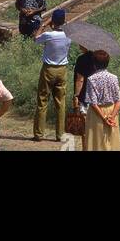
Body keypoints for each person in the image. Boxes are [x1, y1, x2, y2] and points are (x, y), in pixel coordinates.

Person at [32, 8, 71, 142]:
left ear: (53, 21)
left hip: (48, 69)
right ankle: (60, 134)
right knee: (60, 103)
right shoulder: (68, 35)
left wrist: (43, 25)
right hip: (62, 70)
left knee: (43, 101)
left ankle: (39, 134)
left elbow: (35, 38)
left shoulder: (49, 35)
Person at [80, 50, 120, 152]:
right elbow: (119, 99)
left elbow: (93, 103)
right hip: (112, 110)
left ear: (94, 64)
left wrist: (104, 118)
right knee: (111, 141)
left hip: (97, 114)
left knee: (96, 142)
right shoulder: (114, 78)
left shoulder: (91, 79)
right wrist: (112, 116)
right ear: (107, 63)